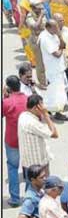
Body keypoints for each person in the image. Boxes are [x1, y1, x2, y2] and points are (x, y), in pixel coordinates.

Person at [2, 75, 27, 207]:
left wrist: (4, 97)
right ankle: (29, 197)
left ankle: (15, 198)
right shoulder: (27, 99)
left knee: (12, 168)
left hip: (12, 140)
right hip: (27, 139)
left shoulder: (6, 102)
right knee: (28, 168)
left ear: (8, 87)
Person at [18, 94, 58, 177]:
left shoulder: (23, 115)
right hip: (38, 164)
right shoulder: (33, 123)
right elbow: (55, 134)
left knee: (30, 186)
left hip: (29, 162)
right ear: (35, 108)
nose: (44, 108)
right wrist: (46, 116)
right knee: (40, 187)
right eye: (42, 106)